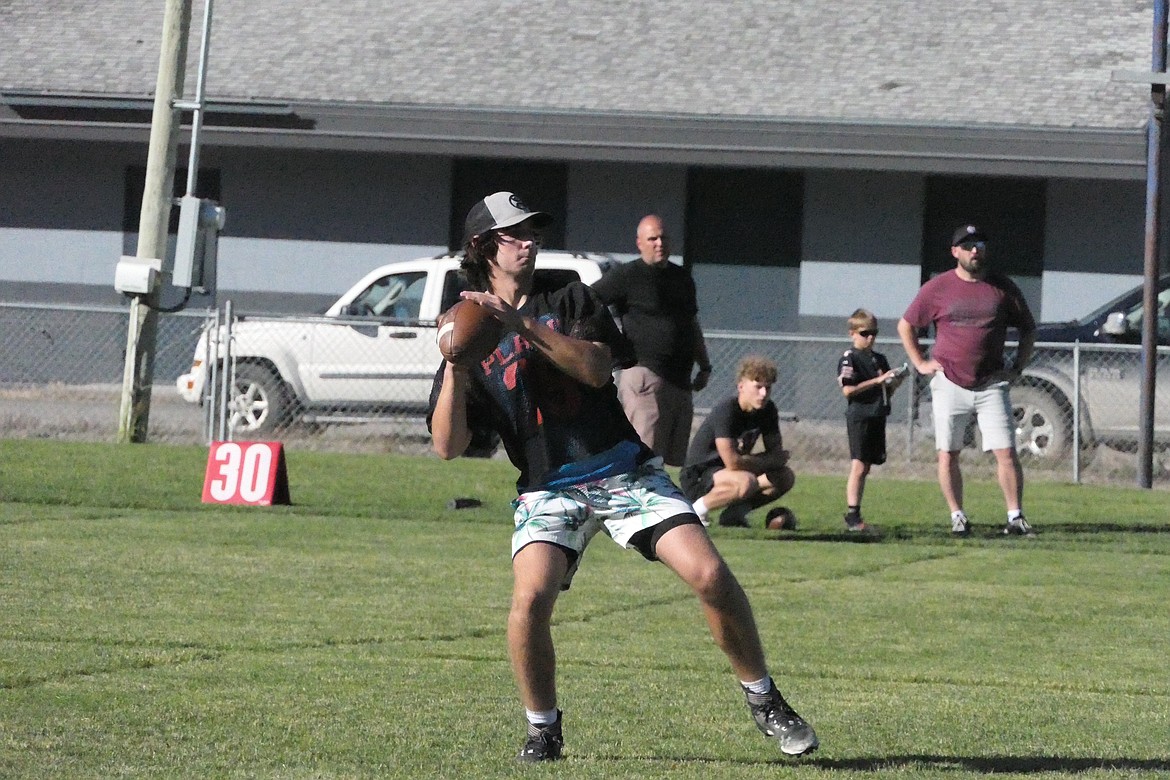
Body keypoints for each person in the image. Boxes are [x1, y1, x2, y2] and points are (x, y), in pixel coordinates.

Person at [427, 192, 818, 762]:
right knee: (529, 601)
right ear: (484, 247)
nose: (529, 241)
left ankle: (764, 698)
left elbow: (594, 367)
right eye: (515, 234)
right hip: (546, 487)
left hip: (621, 469)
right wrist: (457, 365)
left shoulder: (569, 297)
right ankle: (544, 729)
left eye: (533, 231)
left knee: (709, 573)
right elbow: (447, 446)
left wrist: (521, 324)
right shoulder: (466, 331)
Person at [896, 223, 1037, 536]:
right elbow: (906, 325)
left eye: (980, 245)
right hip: (948, 381)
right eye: (968, 245)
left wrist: (1017, 367)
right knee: (948, 453)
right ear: (955, 252)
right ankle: (957, 516)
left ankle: (1015, 517)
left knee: (1006, 452)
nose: (976, 250)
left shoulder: (1002, 287)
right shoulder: (938, 288)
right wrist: (920, 362)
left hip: (991, 383)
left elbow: (1028, 329)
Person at [591, 215, 712, 466]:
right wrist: (606, 343)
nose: (659, 243)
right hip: (645, 376)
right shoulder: (627, 275)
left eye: (663, 238)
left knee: (669, 463)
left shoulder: (682, 278)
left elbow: (691, 323)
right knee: (641, 459)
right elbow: (589, 301)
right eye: (652, 238)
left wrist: (705, 365)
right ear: (639, 243)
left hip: (680, 380)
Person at [679, 356, 796, 528]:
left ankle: (734, 515)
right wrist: (767, 460)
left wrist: (767, 460)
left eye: (768, 388)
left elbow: (776, 453)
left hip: (732, 472)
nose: (763, 393)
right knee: (746, 481)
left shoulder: (768, 410)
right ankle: (694, 512)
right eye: (758, 387)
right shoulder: (727, 410)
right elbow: (733, 462)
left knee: (784, 477)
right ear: (741, 386)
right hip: (700, 475)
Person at [836, 309, 906, 532]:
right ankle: (852, 515)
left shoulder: (879, 359)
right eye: (865, 333)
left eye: (874, 332)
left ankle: (856, 513)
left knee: (866, 466)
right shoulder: (850, 358)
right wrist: (877, 381)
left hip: (877, 414)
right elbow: (848, 390)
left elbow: (886, 390)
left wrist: (895, 381)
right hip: (860, 416)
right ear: (853, 334)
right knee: (858, 465)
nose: (871, 338)